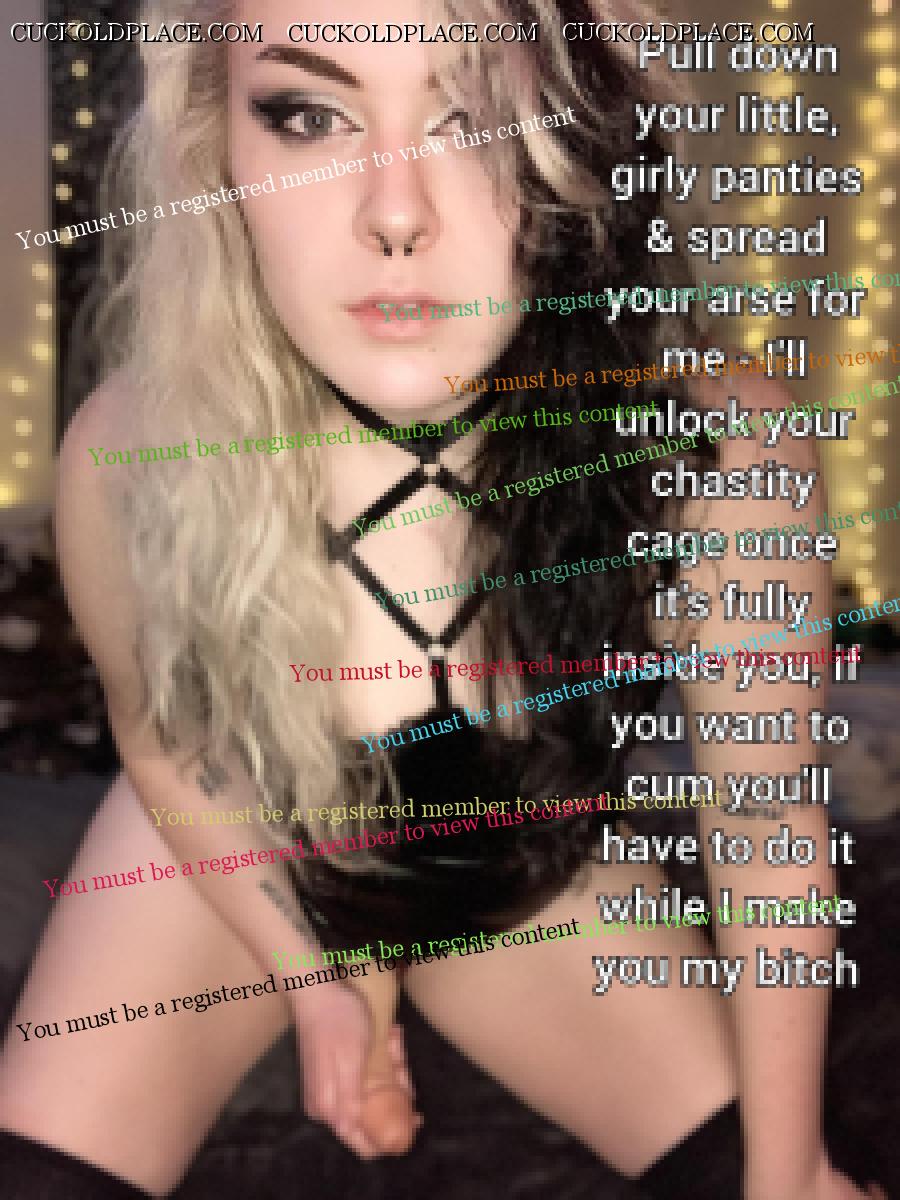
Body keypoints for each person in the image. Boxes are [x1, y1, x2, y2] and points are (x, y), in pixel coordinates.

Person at [0, 1, 881, 1197]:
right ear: (216, 145)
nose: (397, 213)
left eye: (475, 118)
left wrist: (789, 1175)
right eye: (309, 115)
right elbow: (167, 750)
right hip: (257, 850)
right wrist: (318, 986)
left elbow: (765, 836)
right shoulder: (134, 456)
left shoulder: (712, 449)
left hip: (527, 878)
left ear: (574, 141)